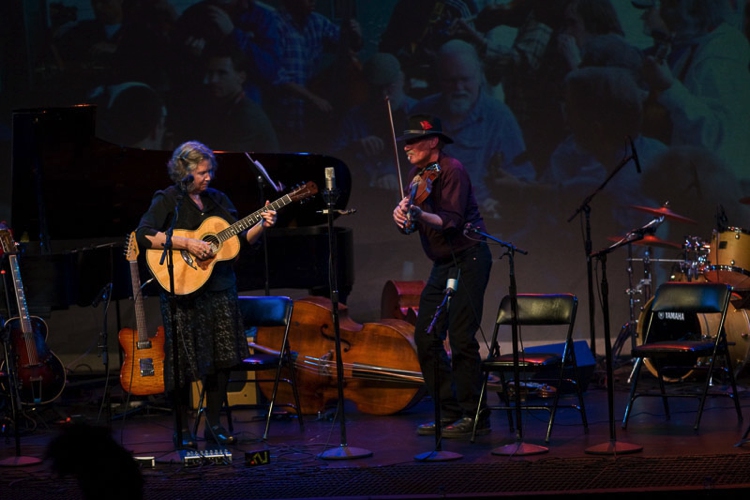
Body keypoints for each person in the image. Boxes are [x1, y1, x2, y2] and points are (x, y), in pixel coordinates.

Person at [135, 140, 277, 448]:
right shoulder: (168, 199)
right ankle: (182, 429)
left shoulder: (218, 200)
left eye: (210, 171)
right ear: (183, 172)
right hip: (182, 292)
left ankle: (214, 424)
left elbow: (240, 240)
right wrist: (187, 243)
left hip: (220, 288)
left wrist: (262, 225)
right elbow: (143, 235)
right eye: (201, 172)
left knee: (223, 360)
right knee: (182, 362)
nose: (208, 177)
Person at [391, 114, 492, 438]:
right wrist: (403, 219)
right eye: (405, 142)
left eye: (413, 141)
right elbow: (414, 223)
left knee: (461, 338)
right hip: (443, 264)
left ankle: (475, 415)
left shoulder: (452, 170)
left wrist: (419, 213)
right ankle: (448, 411)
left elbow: (450, 221)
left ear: (433, 141)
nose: (406, 147)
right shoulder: (415, 176)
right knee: (426, 336)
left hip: (469, 258)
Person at [410, 39, 534, 221]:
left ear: (479, 77)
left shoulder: (499, 118)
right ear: (439, 79)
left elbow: (523, 177)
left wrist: (501, 201)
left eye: (465, 79)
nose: (459, 88)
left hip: (481, 217)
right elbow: (403, 164)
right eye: (451, 81)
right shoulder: (422, 113)